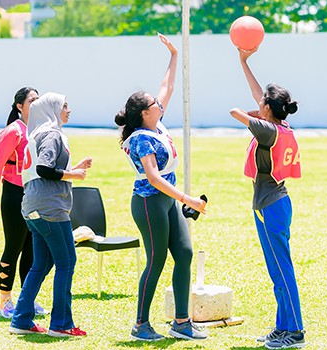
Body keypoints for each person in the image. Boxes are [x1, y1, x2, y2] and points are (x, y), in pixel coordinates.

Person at [114, 33, 208, 342]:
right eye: (155, 104)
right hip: (149, 202)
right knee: (155, 261)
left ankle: (182, 322)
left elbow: (166, 87)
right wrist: (188, 199)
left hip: (166, 201)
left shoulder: (156, 123)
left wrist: (173, 55)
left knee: (184, 253)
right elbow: (153, 178)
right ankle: (141, 325)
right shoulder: (141, 137)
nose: (160, 104)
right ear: (145, 113)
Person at [229, 47, 305, 349]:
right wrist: (244, 62)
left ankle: (295, 331)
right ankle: (282, 326)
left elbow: (234, 111)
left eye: (261, 103)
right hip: (275, 203)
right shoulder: (279, 126)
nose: (257, 102)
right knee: (277, 270)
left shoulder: (267, 131)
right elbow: (258, 95)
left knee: (281, 270)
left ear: (267, 108)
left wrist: (252, 114)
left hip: (271, 206)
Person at [9, 92, 92, 336]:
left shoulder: (34, 135)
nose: (69, 109)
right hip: (50, 209)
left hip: (32, 207)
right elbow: (45, 168)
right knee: (67, 263)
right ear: (52, 109)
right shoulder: (53, 134)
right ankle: (62, 324)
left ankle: (21, 321)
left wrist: (73, 168)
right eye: (64, 105)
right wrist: (73, 175)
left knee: (41, 264)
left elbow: (42, 171)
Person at [0, 87, 48, 318]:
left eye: (37, 100)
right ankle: (5, 302)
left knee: (31, 249)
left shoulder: (37, 130)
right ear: (19, 106)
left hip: (33, 195)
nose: (35, 104)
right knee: (13, 247)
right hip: (14, 195)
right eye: (31, 100)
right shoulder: (13, 131)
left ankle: (27, 300)